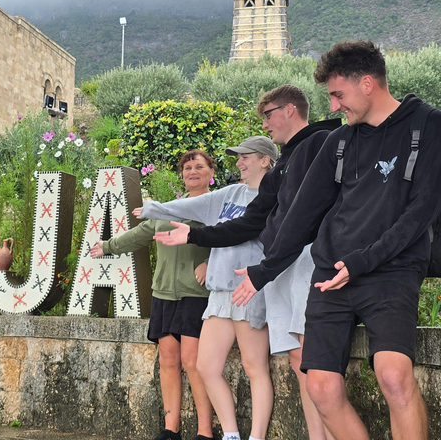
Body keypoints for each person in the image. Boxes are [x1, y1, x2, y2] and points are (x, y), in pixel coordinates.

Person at [232, 40, 440, 440]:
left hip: (391, 270)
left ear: (367, 84)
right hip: (330, 273)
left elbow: (421, 213)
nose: (332, 107)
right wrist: (264, 270)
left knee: (394, 376)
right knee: (321, 388)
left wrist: (362, 262)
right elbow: (302, 215)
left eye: (337, 94)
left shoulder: (429, 126)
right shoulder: (338, 142)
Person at [156, 85, 340, 440]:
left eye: (268, 115)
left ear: (289, 110)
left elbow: (277, 224)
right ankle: (235, 435)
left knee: (307, 364)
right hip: (268, 275)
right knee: (299, 362)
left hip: (294, 269)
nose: (266, 123)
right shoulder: (281, 168)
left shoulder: (322, 145)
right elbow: (248, 224)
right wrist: (189, 232)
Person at [142, 136, 279, 440]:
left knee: (254, 367)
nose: (239, 163)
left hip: (248, 289)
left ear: (265, 160)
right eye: (238, 157)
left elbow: (237, 232)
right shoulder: (230, 193)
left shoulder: (275, 198)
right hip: (219, 293)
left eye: (245, 157)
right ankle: (230, 434)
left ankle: (255, 437)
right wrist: (152, 209)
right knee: (206, 366)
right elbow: (190, 205)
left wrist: (192, 236)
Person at [89, 150, 216, 440]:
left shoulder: (216, 207)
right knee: (168, 360)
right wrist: (107, 246)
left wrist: (212, 264)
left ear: (211, 172)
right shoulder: (168, 208)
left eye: (199, 166)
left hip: (196, 294)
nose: (192, 171)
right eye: (187, 167)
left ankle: (205, 432)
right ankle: (171, 430)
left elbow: (231, 239)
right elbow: (141, 233)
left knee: (191, 361)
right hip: (163, 295)